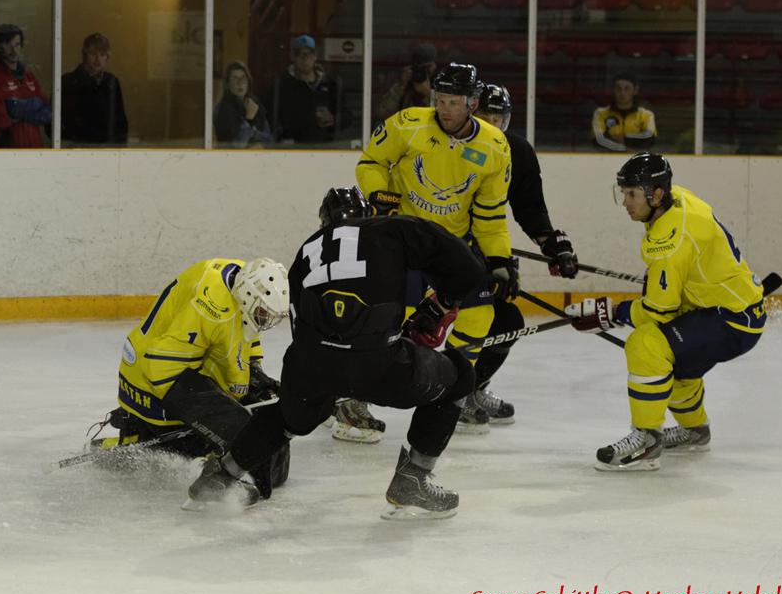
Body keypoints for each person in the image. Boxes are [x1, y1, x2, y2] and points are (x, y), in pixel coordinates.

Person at [184, 187, 484, 519]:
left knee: (287, 416)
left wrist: (330, 379)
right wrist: (439, 305)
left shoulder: (305, 253)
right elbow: (468, 269)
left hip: (310, 366)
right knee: (460, 373)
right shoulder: (393, 227)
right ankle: (413, 478)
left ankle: (219, 477)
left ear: (324, 221)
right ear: (367, 213)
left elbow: (303, 332)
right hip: (380, 365)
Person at [565, 153, 766, 472]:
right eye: (624, 192)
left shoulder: (669, 241)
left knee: (647, 344)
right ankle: (695, 431)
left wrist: (612, 312)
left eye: (631, 194)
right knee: (673, 365)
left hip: (730, 320)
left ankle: (646, 438)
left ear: (656, 194)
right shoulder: (678, 200)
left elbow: (659, 311)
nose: (625, 202)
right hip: (732, 310)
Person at [354, 62, 514, 436]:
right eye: (439, 99)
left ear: (473, 102)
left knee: (478, 315)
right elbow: (371, 162)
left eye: (453, 101)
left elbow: (490, 215)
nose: (443, 108)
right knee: (395, 320)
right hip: (404, 239)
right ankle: (351, 397)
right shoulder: (408, 123)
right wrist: (378, 191)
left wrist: (500, 260)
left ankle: (455, 390)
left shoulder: (494, 146)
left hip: (452, 247)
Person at [97, 257, 292, 497]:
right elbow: (162, 369)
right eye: (263, 313)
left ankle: (212, 452)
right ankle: (141, 434)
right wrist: (226, 417)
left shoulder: (242, 283)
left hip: (184, 367)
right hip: (153, 377)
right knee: (245, 435)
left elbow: (241, 336)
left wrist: (254, 372)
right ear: (249, 297)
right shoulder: (210, 307)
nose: (266, 320)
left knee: (270, 437)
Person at [467, 83, 578, 428]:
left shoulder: (517, 151)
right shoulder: (451, 148)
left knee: (505, 321)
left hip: (483, 251)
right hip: (439, 250)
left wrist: (552, 244)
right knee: (412, 322)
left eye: (499, 118)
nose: (493, 125)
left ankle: (467, 391)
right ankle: (350, 394)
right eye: (486, 117)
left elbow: (530, 209)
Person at [268, 34, 351, 144]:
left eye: (309, 54)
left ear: (315, 56)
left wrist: (334, 120)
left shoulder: (331, 84)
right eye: (299, 54)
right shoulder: (281, 85)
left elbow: (348, 116)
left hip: (325, 149)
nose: (305, 59)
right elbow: (269, 116)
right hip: (291, 150)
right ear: (293, 57)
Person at [0, 24, 52, 148]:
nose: (14, 51)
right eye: (9, 46)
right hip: (9, 149)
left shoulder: (28, 76)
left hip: (35, 147)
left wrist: (20, 112)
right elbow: (10, 110)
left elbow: (48, 114)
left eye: (17, 45)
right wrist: (36, 104)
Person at [62, 33, 129, 146]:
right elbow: (57, 123)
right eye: (93, 54)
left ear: (107, 57)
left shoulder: (111, 82)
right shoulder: (68, 82)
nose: (98, 59)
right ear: (84, 55)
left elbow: (120, 121)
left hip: (107, 151)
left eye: (102, 54)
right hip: (75, 150)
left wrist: (119, 147)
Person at [591, 72, 657, 152]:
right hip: (608, 160)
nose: (622, 93)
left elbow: (649, 139)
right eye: (618, 88)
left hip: (636, 160)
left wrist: (623, 138)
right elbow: (599, 140)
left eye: (627, 88)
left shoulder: (646, 115)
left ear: (635, 90)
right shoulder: (600, 113)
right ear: (613, 90)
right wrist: (624, 148)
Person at [213, 61, 272, 148]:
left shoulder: (255, 103)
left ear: (248, 81)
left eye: (243, 78)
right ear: (228, 84)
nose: (240, 83)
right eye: (235, 78)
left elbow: (269, 139)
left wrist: (254, 134)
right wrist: (249, 119)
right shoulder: (222, 109)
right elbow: (235, 146)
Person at [375, 42, 438, 123]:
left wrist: (428, 95)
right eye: (421, 67)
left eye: (427, 67)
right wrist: (401, 86)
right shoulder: (405, 87)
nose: (423, 71)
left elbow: (447, 118)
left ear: (435, 66)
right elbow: (382, 114)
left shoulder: (440, 86)